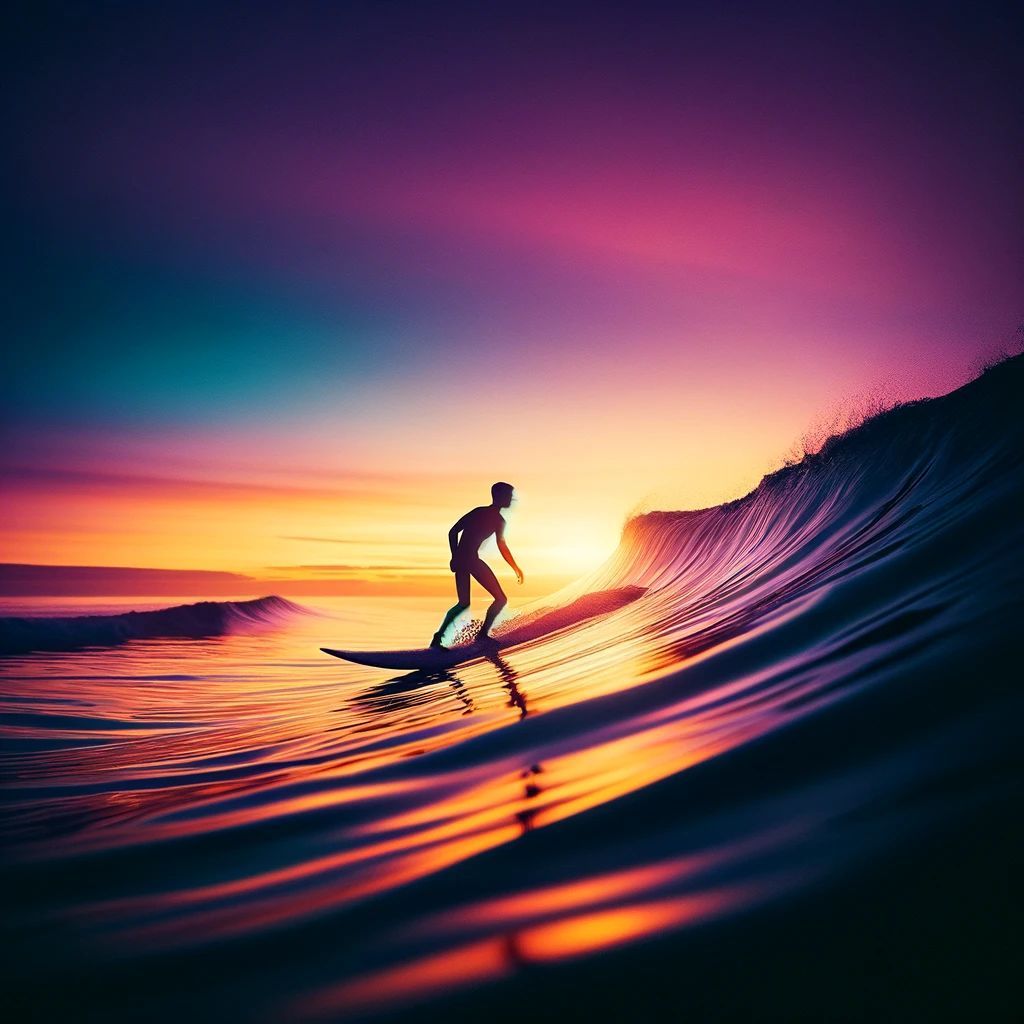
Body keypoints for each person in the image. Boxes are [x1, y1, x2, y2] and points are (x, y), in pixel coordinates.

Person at [431, 481, 524, 647]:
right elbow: (453, 531)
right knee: (500, 599)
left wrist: (515, 567)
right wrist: (455, 557)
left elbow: (502, 546)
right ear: (500, 497)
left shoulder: (497, 520)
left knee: (464, 603)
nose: (512, 499)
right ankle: (481, 636)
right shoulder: (483, 514)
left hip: (467, 559)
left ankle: (437, 639)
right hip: (470, 560)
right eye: (509, 496)